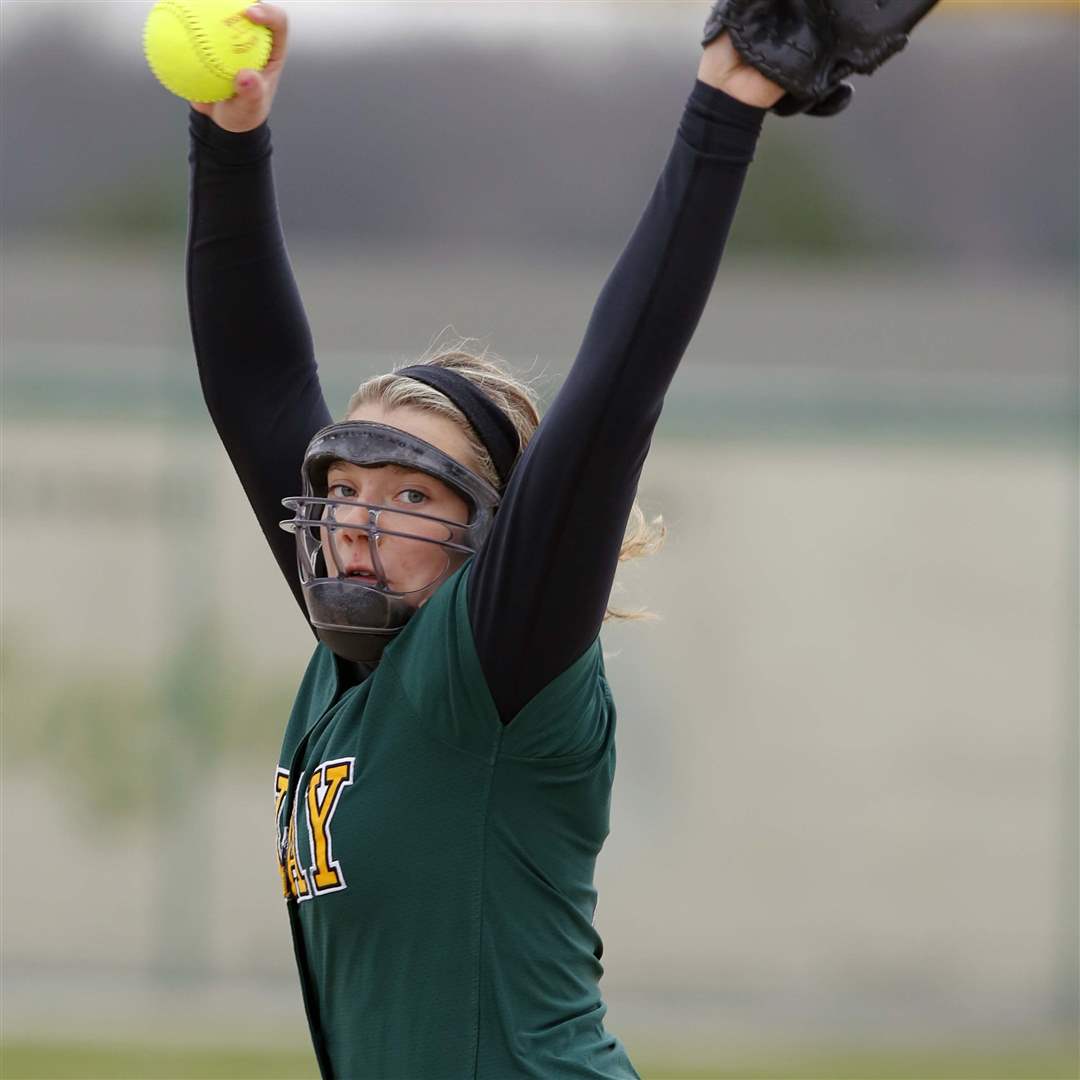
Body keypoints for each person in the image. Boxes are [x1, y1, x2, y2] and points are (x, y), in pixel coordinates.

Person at [185, 2, 932, 1076]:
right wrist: (228, 136)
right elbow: (256, 384)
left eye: (409, 495)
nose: (356, 520)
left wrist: (726, 105)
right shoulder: (355, 663)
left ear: (491, 539)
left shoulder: (489, 664)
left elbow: (617, 388)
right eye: (342, 487)